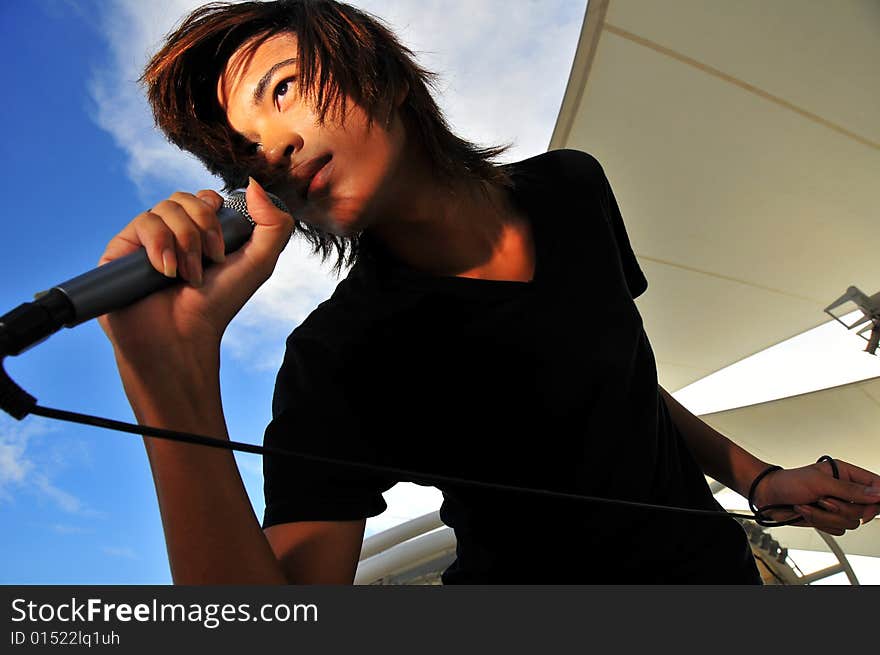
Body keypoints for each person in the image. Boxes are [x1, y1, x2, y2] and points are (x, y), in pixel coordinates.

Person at [98, 0, 880, 584]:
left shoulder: (573, 188)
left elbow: (624, 379)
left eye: (283, 90)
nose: (275, 145)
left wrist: (762, 479)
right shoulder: (338, 358)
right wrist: (172, 385)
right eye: (244, 150)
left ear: (379, 68)